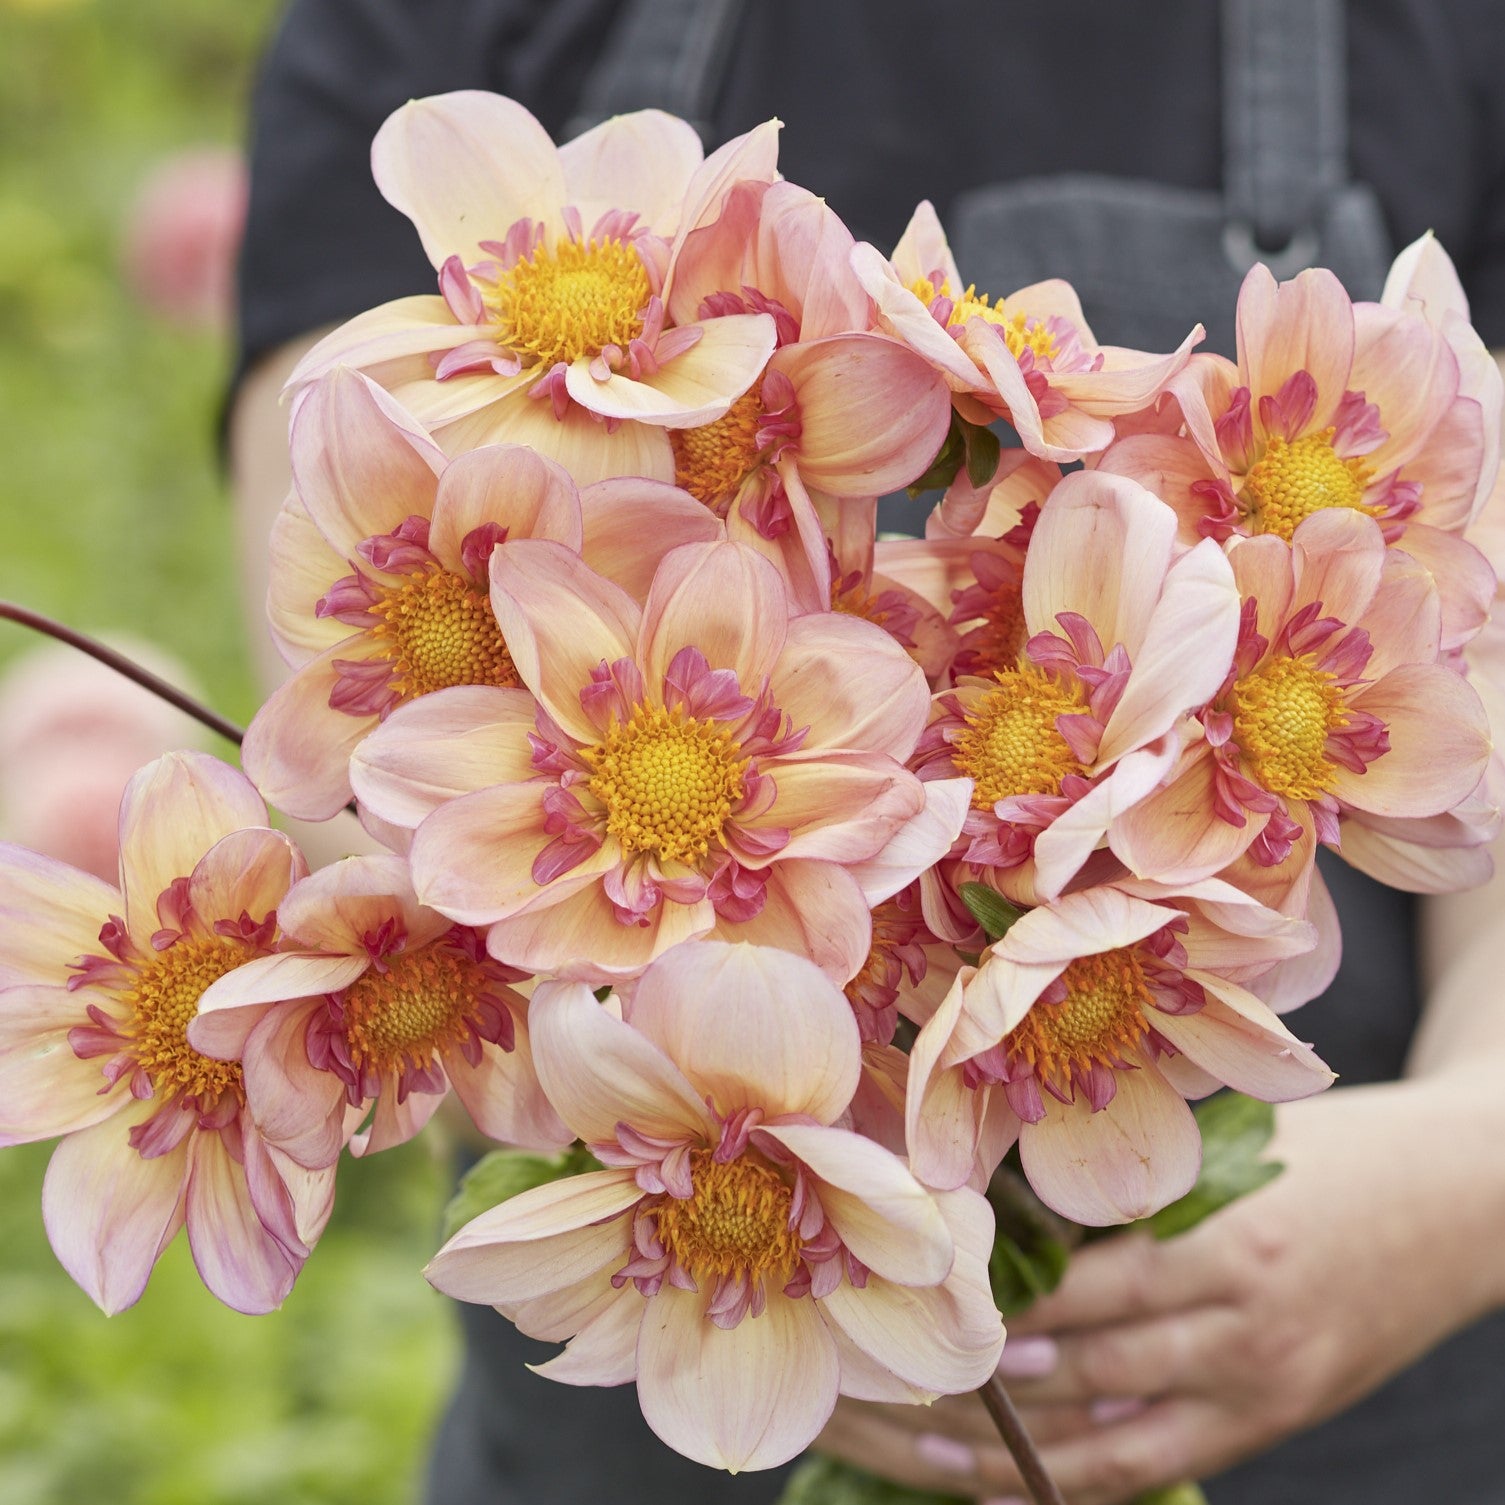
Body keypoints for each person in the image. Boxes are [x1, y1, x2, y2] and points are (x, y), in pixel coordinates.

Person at [228, 3, 1505, 1501]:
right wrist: (776, 1166)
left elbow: (1459, 621)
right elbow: (353, 623)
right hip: (661, 1266)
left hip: (1356, 1293)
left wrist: (1467, 1167)